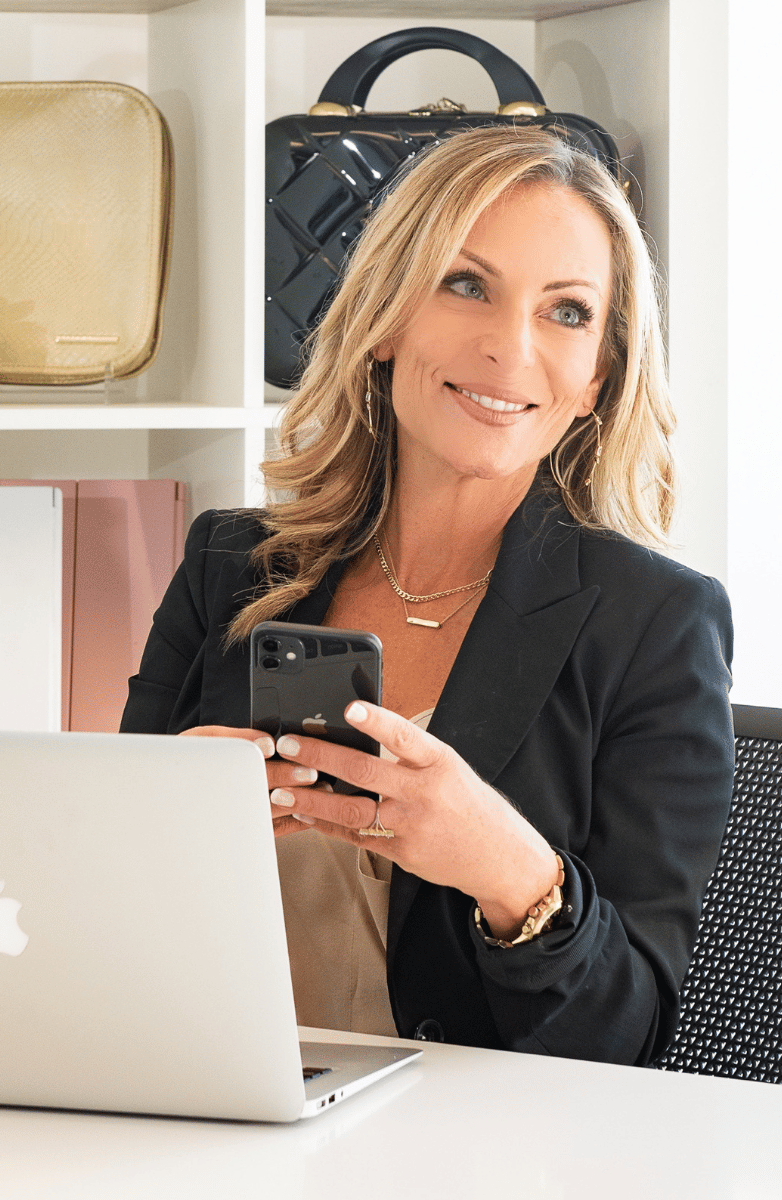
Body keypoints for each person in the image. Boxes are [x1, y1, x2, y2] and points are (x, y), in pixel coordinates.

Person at [120, 126, 734, 1065]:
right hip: (213, 1108)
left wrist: (505, 868)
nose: (510, 348)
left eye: (567, 312)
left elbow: (631, 1037)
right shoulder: (228, 566)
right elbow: (95, 911)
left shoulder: (655, 626)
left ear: (598, 378)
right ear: (385, 317)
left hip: (474, 1149)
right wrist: (162, 820)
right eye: (467, 284)